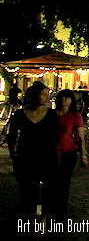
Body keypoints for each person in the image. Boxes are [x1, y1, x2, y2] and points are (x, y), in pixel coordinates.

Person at [7, 81, 59, 222]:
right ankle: (27, 220)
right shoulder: (20, 115)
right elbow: (11, 136)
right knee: (26, 192)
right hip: (26, 157)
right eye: (44, 94)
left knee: (47, 192)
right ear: (35, 95)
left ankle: (43, 218)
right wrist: (14, 154)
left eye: (47, 95)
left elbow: (56, 138)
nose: (47, 98)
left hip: (46, 158)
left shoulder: (52, 115)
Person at [52, 89, 87, 219]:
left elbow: (80, 137)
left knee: (64, 182)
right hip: (53, 153)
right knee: (53, 182)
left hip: (68, 153)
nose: (64, 100)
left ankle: (61, 212)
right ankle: (53, 209)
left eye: (67, 98)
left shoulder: (75, 116)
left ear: (71, 100)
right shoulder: (52, 115)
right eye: (61, 98)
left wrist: (83, 155)